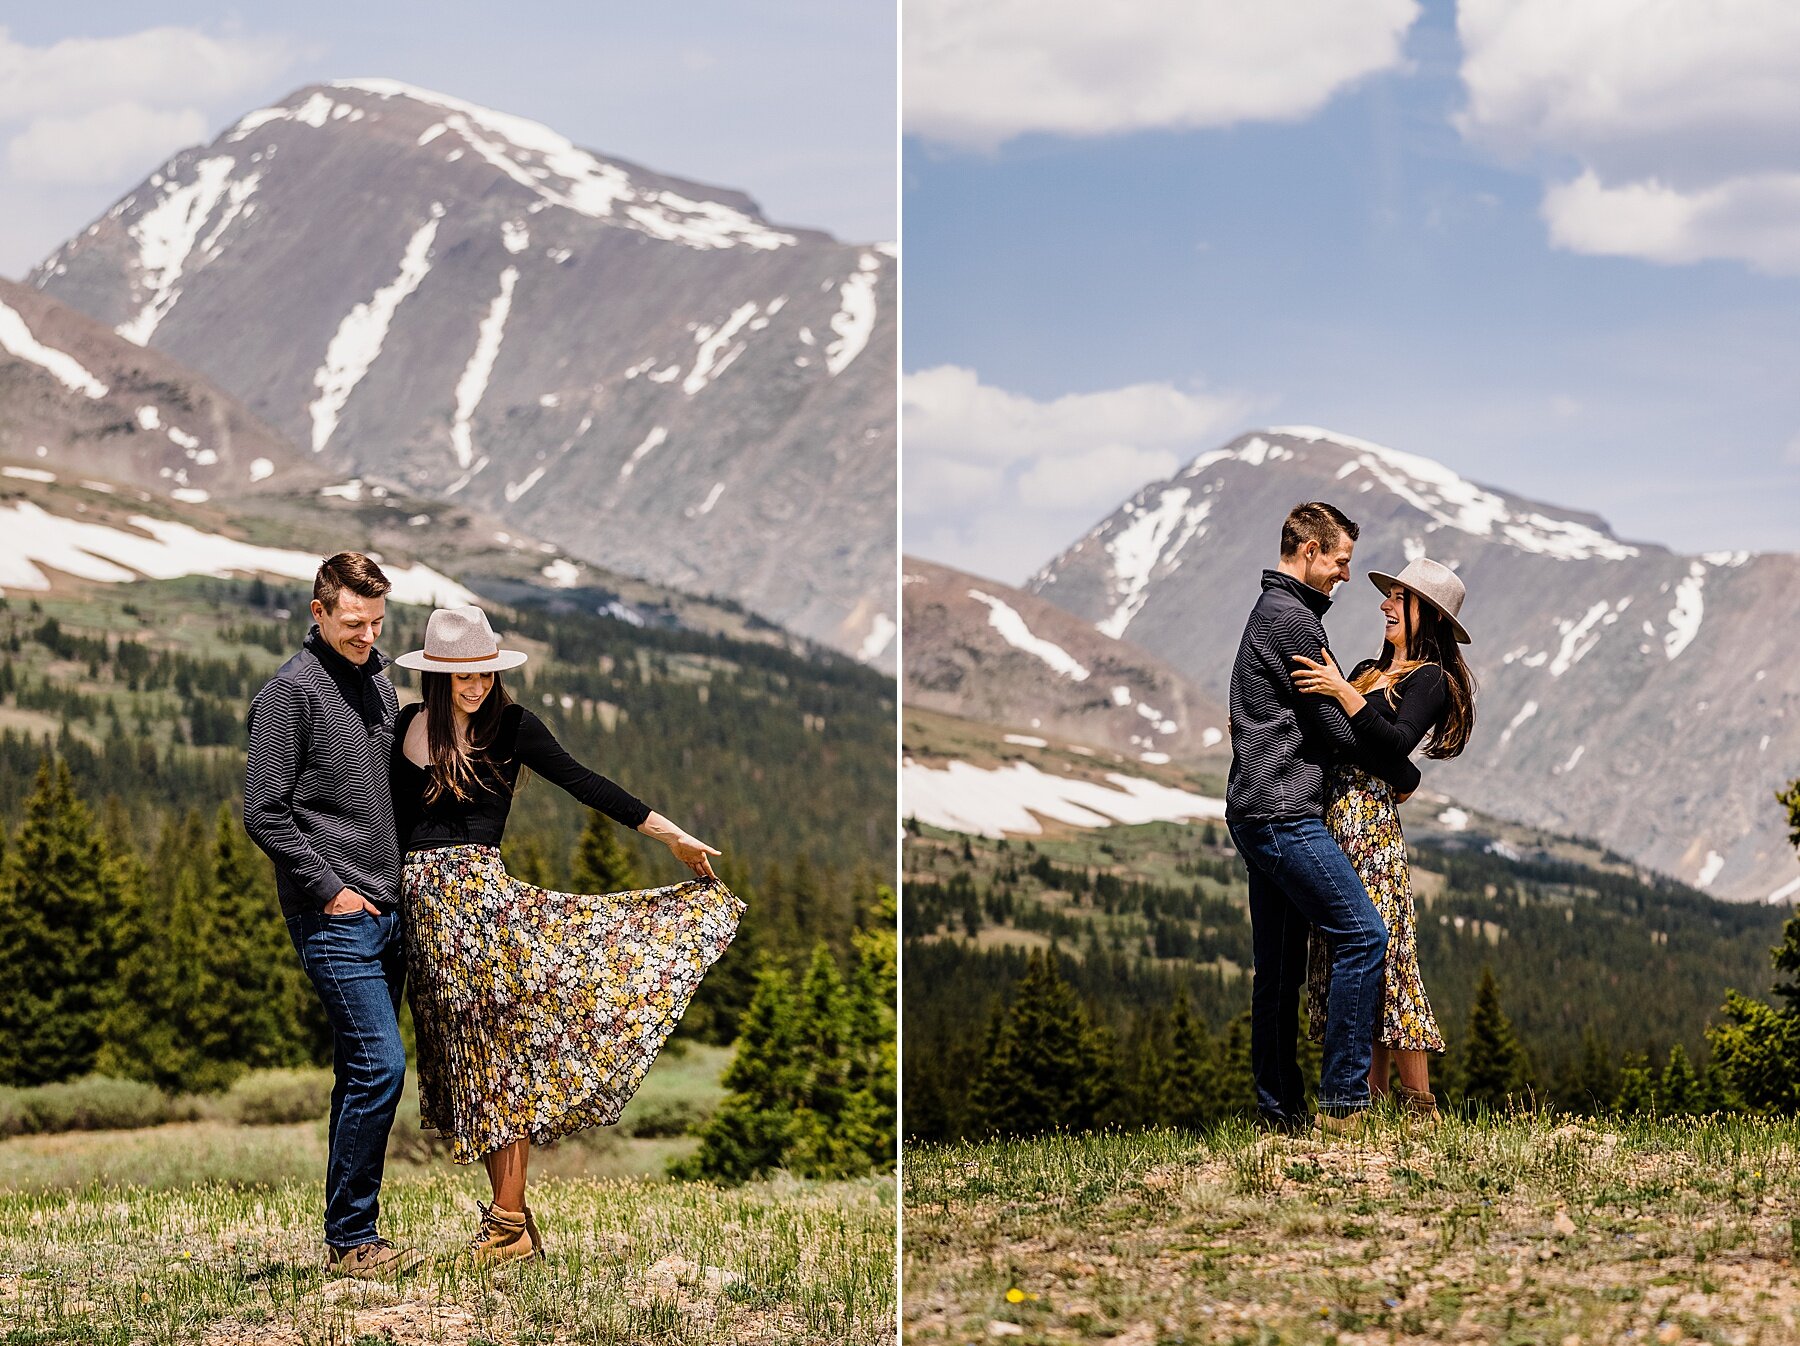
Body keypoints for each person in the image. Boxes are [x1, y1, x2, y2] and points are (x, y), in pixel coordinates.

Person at [390, 604, 744, 1265]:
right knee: (465, 1065)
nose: (475, 687)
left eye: (485, 675)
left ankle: (505, 1224)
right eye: (462, 677)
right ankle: (511, 1225)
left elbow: (587, 784)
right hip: (424, 917)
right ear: (438, 675)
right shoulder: (408, 725)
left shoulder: (514, 726)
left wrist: (671, 835)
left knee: (501, 1060)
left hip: (484, 908)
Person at [244, 552, 421, 1279]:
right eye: (354, 623)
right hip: (335, 917)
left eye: (377, 623)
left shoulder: (377, 679)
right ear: (317, 612)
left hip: (390, 911)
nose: (368, 637)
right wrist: (329, 889)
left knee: (358, 1073)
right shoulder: (290, 693)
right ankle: (353, 1241)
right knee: (382, 1068)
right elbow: (264, 812)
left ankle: (353, 1236)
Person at [1223, 503, 1422, 1137]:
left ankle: (1279, 1116)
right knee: (1364, 934)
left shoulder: (1272, 613)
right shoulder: (1294, 624)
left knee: (1277, 973)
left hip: (1256, 810)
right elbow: (1337, 731)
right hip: (1284, 813)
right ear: (1308, 551)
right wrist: (1402, 773)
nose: (1343, 575)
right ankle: (1343, 1102)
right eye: (1339, 562)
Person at [1291, 556, 1478, 1124]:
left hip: (1370, 827)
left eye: (1399, 598)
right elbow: (1348, 742)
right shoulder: (1370, 668)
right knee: (1350, 956)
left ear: (1429, 615)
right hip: (1335, 818)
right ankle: (1365, 1102)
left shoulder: (1429, 681)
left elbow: (1391, 744)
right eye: (1390, 595)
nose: (1385, 604)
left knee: (1389, 957)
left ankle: (1420, 1109)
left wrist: (1343, 695)